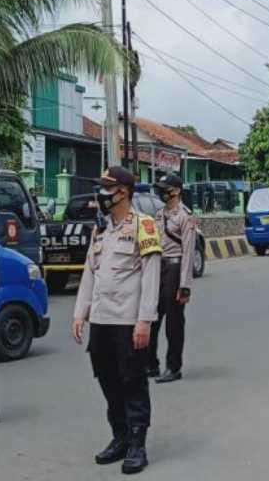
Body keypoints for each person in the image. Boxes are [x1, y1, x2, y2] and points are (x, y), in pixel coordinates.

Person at [72, 166, 162, 475]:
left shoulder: (143, 225)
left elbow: (151, 276)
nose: (101, 194)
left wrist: (145, 320)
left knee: (132, 381)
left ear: (122, 192)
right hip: (101, 319)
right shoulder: (101, 230)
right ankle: (120, 435)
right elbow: (90, 273)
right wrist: (80, 313)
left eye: (106, 189)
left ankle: (137, 443)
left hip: (128, 321)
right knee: (107, 379)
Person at [147, 173, 197, 384]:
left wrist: (185, 286)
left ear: (176, 190)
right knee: (151, 317)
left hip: (175, 268)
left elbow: (188, 252)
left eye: (165, 188)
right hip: (158, 267)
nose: (161, 192)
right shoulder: (159, 214)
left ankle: (173, 367)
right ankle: (150, 364)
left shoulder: (185, 216)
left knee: (173, 322)